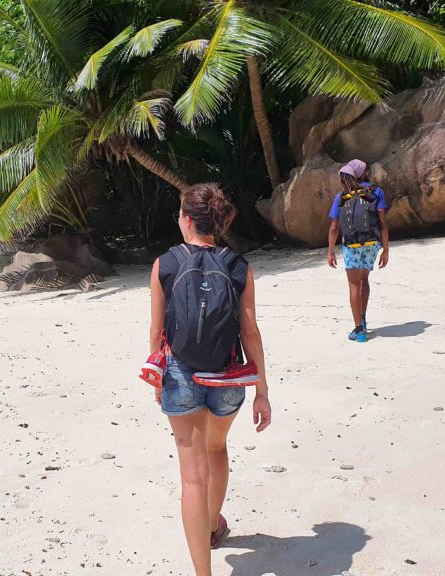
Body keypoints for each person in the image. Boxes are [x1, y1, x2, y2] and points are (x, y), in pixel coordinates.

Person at [148, 183, 271, 576]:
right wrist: (261, 392)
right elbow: (250, 332)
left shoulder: (164, 264)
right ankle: (213, 525)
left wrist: (157, 381)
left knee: (192, 478)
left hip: (181, 374)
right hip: (229, 374)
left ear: (186, 220)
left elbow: (155, 332)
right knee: (216, 449)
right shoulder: (238, 265)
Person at [326, 159, 390, 343]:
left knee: (354, 285)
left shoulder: (342, 196)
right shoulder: (376, 192)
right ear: (364, 173)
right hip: (372, 244)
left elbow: (333, 227)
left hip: (351, 244)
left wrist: (330, 251)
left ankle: (359, 330)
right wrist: (385, 249)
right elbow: (383, 223)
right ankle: (362, 318)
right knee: (364, 279)